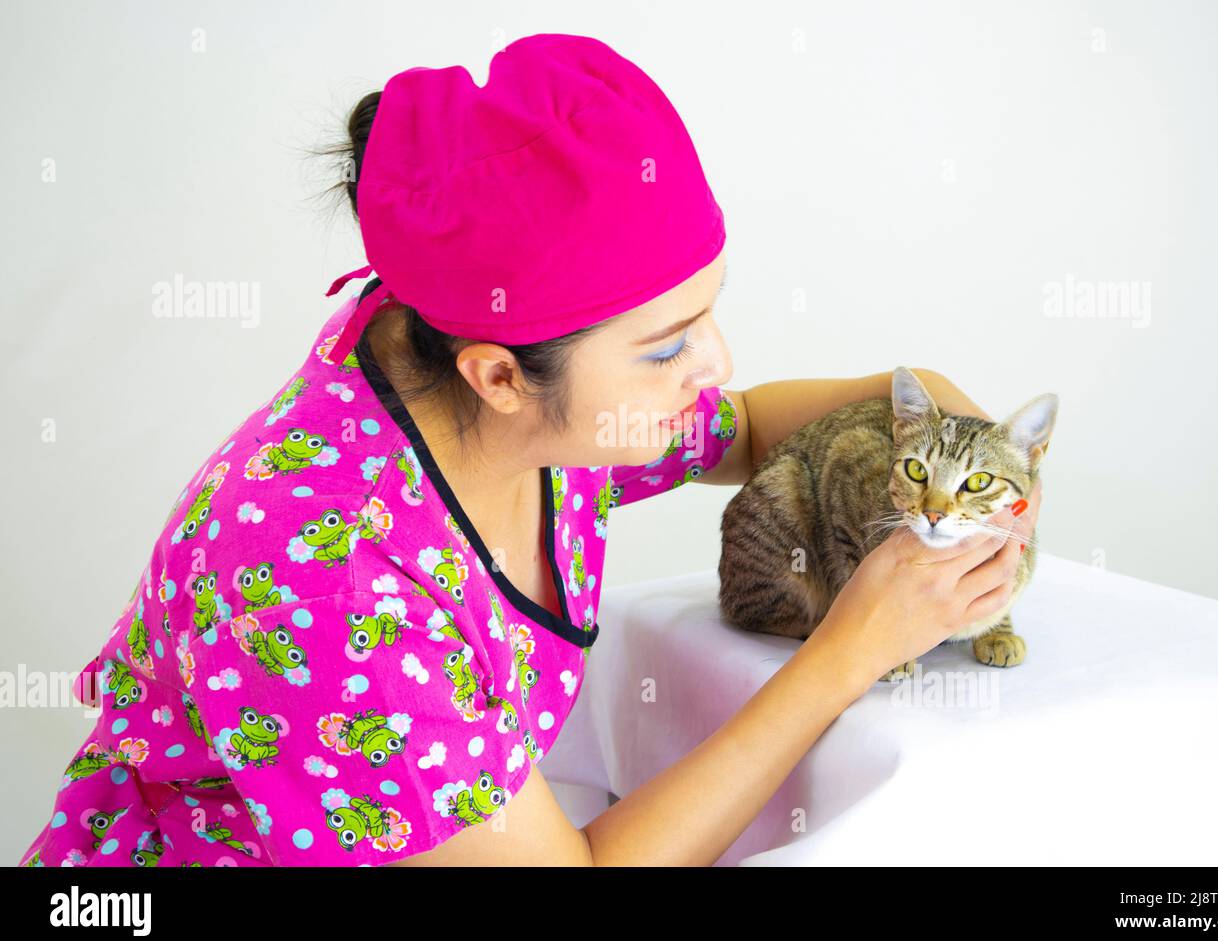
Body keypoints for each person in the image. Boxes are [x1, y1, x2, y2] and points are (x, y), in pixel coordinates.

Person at [18, 33, 1041, 868]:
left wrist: (928, 404)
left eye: (708, 310)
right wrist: (846, 653)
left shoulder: (513, 377)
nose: (712, 363)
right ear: (497, 376)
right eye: (668, 344)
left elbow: (754, 426)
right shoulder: (321, 585)